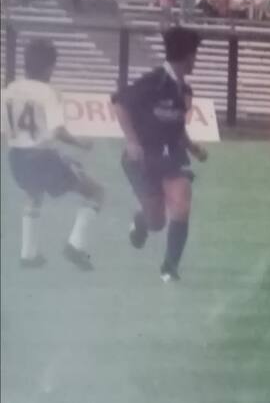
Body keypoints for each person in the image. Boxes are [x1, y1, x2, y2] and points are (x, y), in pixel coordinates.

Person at [112, 27, 208, 282]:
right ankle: (142, 221)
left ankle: (169, 267)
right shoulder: (155, 81)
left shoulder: (183, 89)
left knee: (181, 200)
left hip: (172, 157)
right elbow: (119, 104)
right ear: (188, 56)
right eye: (195, 54)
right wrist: (132, 141)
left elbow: (175, 125)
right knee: (156, 222)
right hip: (144, 158)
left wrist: (193, 147)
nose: (196, 60)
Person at [2, 39, 104, 271]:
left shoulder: (9, 90)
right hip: (43, 159)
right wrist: (81, 143)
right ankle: (75, 245)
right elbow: (58, 131)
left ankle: (28, 254)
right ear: (50, 67)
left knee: (33, 193)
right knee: (96, 192)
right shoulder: (49, 92)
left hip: (16, 159)